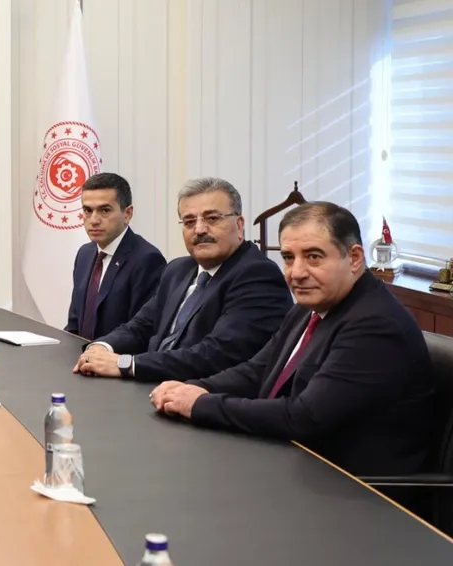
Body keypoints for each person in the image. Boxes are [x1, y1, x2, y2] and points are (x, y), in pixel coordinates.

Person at [151, 202, 434, 476]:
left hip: (352, 488)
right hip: (293, 463)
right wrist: (194, 388)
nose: (297, 273)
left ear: (355, 258)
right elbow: (258, 370)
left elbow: (304, 416)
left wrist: (200, 404)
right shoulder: (309, 307)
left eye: (314, 257)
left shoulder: (375, 324)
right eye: (288, 257)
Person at [74, 177, 291, 382]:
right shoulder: (177, 270)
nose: (200, 229)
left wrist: (126, 364)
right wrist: (102, 347)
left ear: (240, 225)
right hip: (152, 388)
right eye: (189, 221)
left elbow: (217, 354)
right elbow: (141, 326)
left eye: (212, 218)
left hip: (203, 397)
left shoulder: (257, 274)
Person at [64, 173, 167, 340]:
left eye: (104, 210)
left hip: (116, 355)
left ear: (127, 214)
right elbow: (74, 324)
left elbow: (142, 331)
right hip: (80, 354)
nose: (94, 220)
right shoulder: (85, 254)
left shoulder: (147, 259)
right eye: (88, 210)